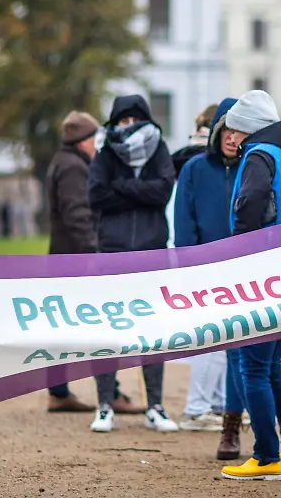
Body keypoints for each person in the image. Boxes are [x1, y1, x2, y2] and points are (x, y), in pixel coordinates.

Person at [220, 90, 281, 481]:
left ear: (250, 129)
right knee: (272, 365)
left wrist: (241, 250)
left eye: (237, 130)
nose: (233, 138)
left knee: (251, 366)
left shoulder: (260, 156)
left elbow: (250, 202)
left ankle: (266, 455)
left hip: (259, 270)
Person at [87, 94, 179, 433]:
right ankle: (104, 405)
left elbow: (163, 192)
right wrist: (140, 188)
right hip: (111, 251)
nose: (128, 126)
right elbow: (95, 195)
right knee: (107, 330)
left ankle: (154, 406)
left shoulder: (159, 148)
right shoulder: (105, 151)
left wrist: (122, 188)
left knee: (153, 331)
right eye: (122, 120)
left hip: (151, 251)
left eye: (134, 119)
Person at [173, 99, 243, 440]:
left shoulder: (253, 166)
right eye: (226, 129)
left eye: (239, 130)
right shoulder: (195, 169)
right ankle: (196, 408)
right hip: (205, 269)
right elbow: (183, 219)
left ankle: (220, 405)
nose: (232, 138)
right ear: (216, 131)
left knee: (237, 343)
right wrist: (191, 265)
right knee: (211, 342)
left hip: (245, 270)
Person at [43, 111, 101, 414]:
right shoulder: (73, 168)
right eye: (94, 139)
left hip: (65, 257)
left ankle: (59, 389)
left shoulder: (65, 162)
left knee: (63, 326)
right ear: (83, 141)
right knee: (86, 324)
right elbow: (77, 214)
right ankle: (100, 390)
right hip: (74, 259)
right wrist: (93, 253)